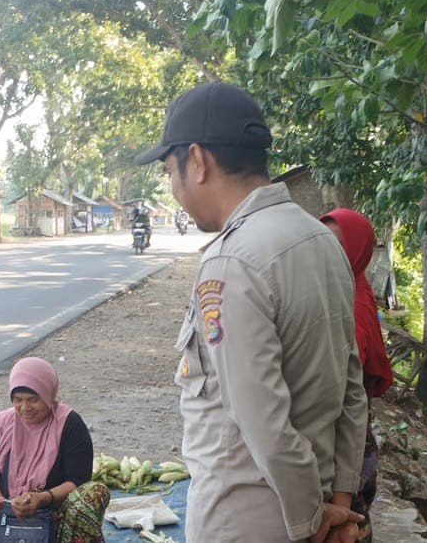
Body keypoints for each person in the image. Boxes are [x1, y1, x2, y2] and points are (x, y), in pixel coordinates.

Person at [135, 82, 369, 542]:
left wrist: (313, 518)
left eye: (169, 169)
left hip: (244, 519)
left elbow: (262, 418)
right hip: (312, 507)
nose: (172, 186)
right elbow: (351, 389)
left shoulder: (231, 260)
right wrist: (338, 501)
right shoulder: (320, 238)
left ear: (197, 161)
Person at [0, 357, 110, 543]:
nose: (25, 408)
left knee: (93, 493)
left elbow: (78, 480)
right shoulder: (7, 423)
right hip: (6, 516)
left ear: (47, 395)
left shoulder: (69, 424)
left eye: (33, 400)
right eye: (17, 400)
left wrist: (42, 498)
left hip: (56, 517)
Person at [321, 208, 396, 542]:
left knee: (348, 519)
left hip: (347, 429)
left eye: (339, 245)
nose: (328, 253)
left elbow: (350, 376)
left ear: (358, 250)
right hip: (337, 424)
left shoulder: (355, 301)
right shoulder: (331, 293)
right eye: (323, 243)